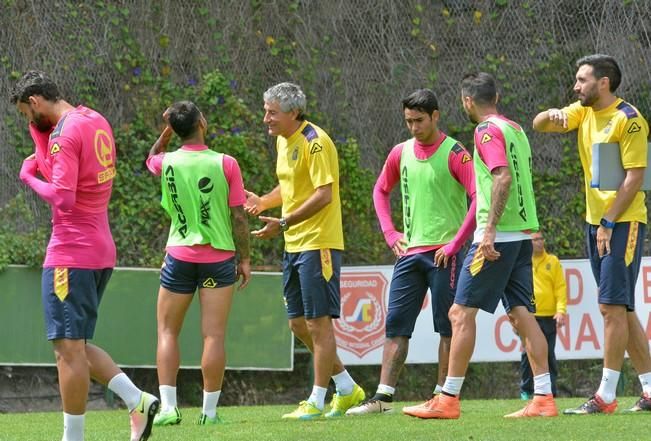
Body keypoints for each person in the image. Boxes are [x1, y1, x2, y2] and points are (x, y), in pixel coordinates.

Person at [11, 70, 159, 441]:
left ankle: (72, 438)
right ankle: (137, 400)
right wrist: (37, 137)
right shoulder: (94, 120)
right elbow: (70, 173)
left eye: (26, 115)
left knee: (66, 350)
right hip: (98, 250)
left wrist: (27, 176)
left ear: (34, 102)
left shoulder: (63, 134)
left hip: (69, 252)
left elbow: (63, 196)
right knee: (75, 344)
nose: (28, 122)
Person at [420, 72, 558, 419]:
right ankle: (543, 397)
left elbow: (503, 176)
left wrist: (490, 229)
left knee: (459, 312)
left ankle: (448, 398)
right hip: (524, 234)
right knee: (521, 315)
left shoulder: (485, 131)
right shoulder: (516, 129)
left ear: (467, 100)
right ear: (495, 95)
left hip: (498, 236)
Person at [345, 89, 476, 416]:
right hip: (410, 254)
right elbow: (380, 190)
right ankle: (382, 398)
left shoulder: (455, 153)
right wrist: (390, 232)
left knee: (447, 326)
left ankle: (442, 395)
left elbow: (478, 199)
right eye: (408, 121)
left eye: (419, 120)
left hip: (446, 254)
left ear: (435, 116)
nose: (414, 127)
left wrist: (455, 243)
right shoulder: (399, 152)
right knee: (396, 325)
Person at [533, 54, 651, 414]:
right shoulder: (583, 111)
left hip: (623, 222)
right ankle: (649, 389)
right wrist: (550, 114)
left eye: (582, 80)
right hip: (596, 222)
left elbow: (634, 178)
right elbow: (540, 126)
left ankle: (606, 396)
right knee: (621, 309)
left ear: (603, 83)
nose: (575, 86)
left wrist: (609, 221)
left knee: (611, 307)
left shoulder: (628, 120)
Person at [244, 82, 364, 419]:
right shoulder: (284, 141)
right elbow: (291, 187)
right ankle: (346, 387)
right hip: (294, 244)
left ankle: (316, 399)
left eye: (272, 112)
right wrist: (263, 201)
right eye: (265, 110)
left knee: (318, 325)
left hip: (318, 244)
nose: (266, 118)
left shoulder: (316, 143)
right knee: (298, 324)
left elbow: (324, 194)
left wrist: (284, 222)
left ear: (293, 112)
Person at [145, 101, 251, 426]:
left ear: (174, 129)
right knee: (213, 337)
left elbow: (151, 157)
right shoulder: (226, 163)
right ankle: (209, 413)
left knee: (166, 331)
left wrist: (167, 130)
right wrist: (244, 258)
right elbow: (239, 217)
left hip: (178, 257)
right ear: (202, 122)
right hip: (218, 259)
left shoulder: (167, 162)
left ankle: (168, 408)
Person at [519, 232, 566, 400]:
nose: (539, 242)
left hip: (548, 317)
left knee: (548, 354)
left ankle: (550, 391)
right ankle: (526, 390)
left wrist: (560, 310)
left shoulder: (552, 261)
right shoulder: (523, 261)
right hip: (529, 316)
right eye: (535, 240)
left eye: (540, 239)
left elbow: (560, 288)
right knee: (527, 353)